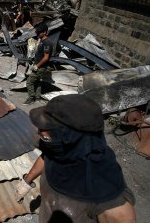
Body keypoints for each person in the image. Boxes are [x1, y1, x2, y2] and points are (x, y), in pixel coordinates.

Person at [15, 94, 136, 223]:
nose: (38, 134)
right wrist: (27, 181)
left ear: (71, 137)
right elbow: (47, 156)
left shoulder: (107, 196)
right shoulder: (61, 149)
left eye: (45, 136)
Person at [23, 23, 53, 105]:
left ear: (45, 32)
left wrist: (37, 66)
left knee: (29, 82)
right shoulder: (41, 41)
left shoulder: (47, 43)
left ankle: (31, 98)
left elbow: (46, 57)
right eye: (37, 32)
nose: (38, 34)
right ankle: (37, 98)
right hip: (39, 65)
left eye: (39, 32)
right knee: (38, 82)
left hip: (41, 67)